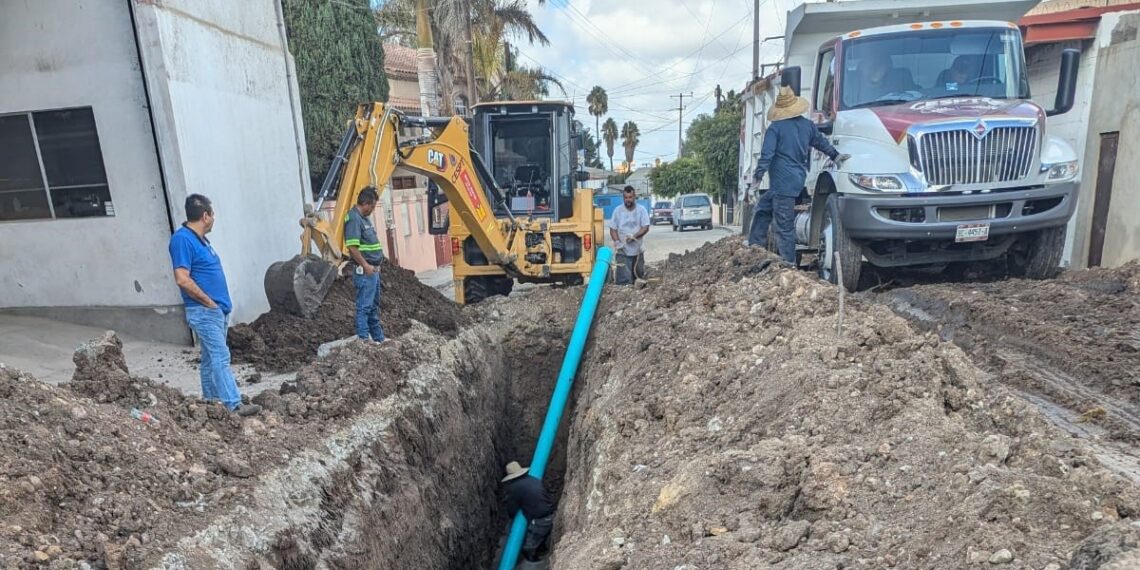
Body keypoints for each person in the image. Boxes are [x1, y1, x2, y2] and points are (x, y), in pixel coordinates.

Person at [168, 194, 260, 416]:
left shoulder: (200, 240)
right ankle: (233, 403)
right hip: (204, 311)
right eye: (213, 215)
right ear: (205, 216)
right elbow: (182, 278)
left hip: (214, 311)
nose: (214, 219)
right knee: (221, 356)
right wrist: (209, 303)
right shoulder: (182, 239)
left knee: (210, 360)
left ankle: (212, 403)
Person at [748, 86, 850, 264]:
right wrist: (836, 155)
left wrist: (756, 179)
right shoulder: (807, 126)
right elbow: (821, 143)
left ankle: (788, 263)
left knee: (784, 226)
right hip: (796, 179)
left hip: (782, 183)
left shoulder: (775, 128)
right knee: (763, 208)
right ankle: (754, 247)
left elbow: (767, 155)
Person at [344, 186, 386, 342]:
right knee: (365, 307)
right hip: (365, 272)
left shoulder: (364, 219)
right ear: (366, 203)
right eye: (373, 206)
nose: (373, 210)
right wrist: (367, 266)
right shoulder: (354, 219)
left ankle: (379, 340)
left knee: (373, 308)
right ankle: (364, 340)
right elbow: (352, 247)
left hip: (373, 272)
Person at [502, 461, 556, 562]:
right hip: (550, 513)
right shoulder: (534, 479)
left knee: (530, 543)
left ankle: (532, 560)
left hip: (540, 518)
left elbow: (512, 507)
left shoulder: (515, 488)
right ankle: (541, 549)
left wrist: (512, 517)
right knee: (541, 534)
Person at [608, 186, 650, 284]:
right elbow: (613, 228)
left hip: (637, 251)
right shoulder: (618, 211)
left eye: (630, 197)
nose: (628, 200)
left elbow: (645, 227)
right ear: (623, 198)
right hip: (623, 252)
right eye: (626, 198)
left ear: (634, 197)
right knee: (624, 281)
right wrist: (617, 242)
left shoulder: (641, 210)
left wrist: (634, 236)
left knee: (639, 277)